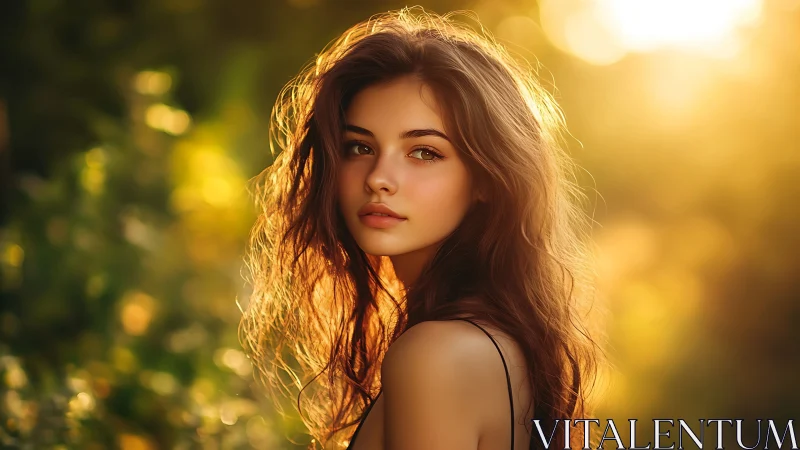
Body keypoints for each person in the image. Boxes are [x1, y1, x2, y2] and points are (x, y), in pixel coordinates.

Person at [240, 6, 606, 450]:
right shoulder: (494, 339)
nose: (378, 177)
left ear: (487, 179)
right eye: (359, 146)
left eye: (424, 152)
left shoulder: (437, 353)